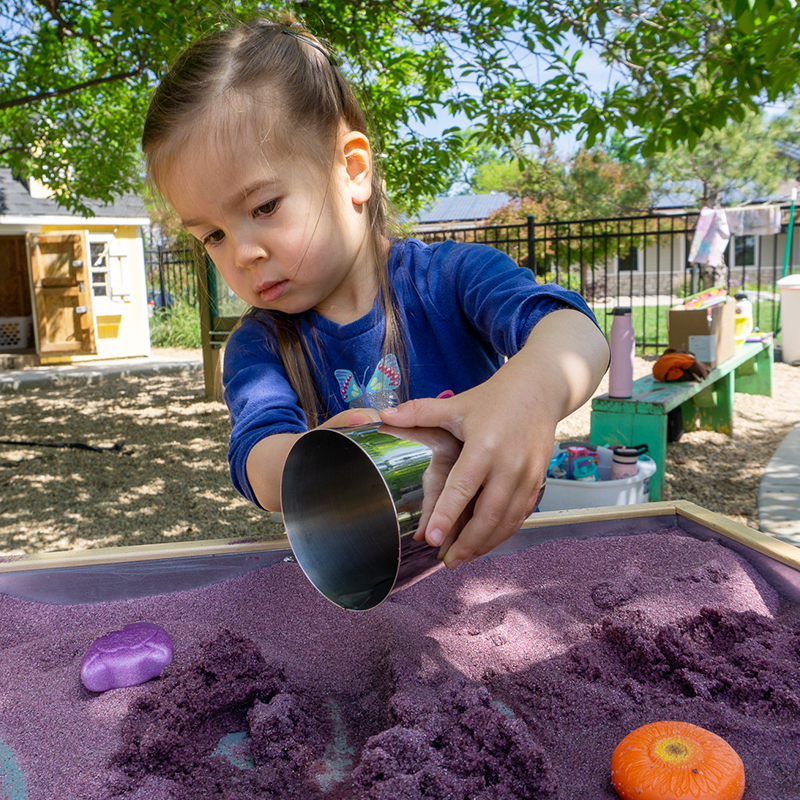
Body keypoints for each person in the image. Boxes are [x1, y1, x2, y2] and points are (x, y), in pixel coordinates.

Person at [142, 17, 610, 570]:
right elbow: (256, 458)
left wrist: (531, 393)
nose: (242, 253)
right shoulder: (259, 346)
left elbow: (575, 331)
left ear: (351, 170)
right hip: (377, 579)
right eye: (213, 236)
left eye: (265, 207)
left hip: (500, 566)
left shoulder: (449, 278)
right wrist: (312, 461)